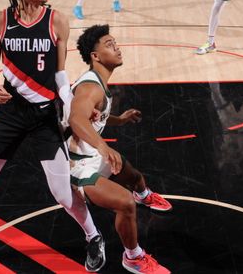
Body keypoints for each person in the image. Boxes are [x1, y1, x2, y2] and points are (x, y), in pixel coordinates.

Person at [0, 0, 103, 274]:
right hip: (11, 114)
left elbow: (61, 76)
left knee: (63, 192)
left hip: (44, 116)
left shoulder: (58, 21)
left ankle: (94, 237)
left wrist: (73, 106)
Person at [68, 24, 172, 274]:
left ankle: (144, 195)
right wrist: (103, 147)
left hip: (92, 151)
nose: (117, 47)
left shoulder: (99, 83)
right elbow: (76, 120)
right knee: (125, 203)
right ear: (95, 56)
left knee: (136, 178)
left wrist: (119, 119)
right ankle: (133, 257)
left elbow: (97, 116)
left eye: (115, 42)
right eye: (109, 44)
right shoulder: (90, 87)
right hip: (75, 163)